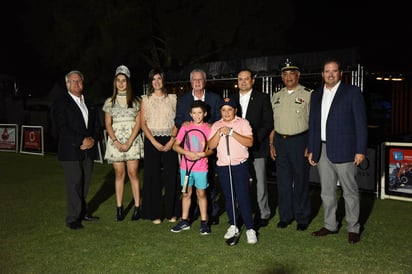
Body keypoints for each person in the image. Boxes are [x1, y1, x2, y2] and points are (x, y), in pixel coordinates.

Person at [307, 58, 368, 244]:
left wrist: (360, 150)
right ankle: (330, 225)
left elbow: (360, 123)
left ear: (340, 73)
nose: (330, 74)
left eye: (334, 71)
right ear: (322, 74)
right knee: (326, 191)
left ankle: (353, 228)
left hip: (345, 149)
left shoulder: (352, 92)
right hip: (322, 150)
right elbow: (313, 124)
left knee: (349, 191)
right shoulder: (316, 95)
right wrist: (312, 148)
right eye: (327, 71)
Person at [52, 70, 101, 230]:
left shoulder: (89, 102)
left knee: (85, 182)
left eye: (79, 80)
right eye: (73, 81)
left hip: (88, 149)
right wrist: (82, 140)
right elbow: (62, 127)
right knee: (75, 182)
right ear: (67, 84)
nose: (77, 83)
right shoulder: (61, 103)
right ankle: (73, 217)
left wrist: (92, 139)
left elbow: (96, 125)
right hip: (71, 150)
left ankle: (82, 212)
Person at [268, 59, 312, 231]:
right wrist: (272, 143)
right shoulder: (276, 96)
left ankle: (302, 217)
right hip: (280, 141)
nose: (288, 77)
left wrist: (311, 145)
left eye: (291, 73)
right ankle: (285, 216)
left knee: (300, 181)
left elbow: (314, 123)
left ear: (298, 75)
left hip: (299, 141)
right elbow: (273, 124)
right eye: (285, 74)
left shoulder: (308, 94)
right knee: (283, 182)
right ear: (282, 77)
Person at [175, 68, 222, 225]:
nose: (197, 82)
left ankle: (211, 214)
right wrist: (185, 123)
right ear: (190, 82)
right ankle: (189, 215)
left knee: (208, 184)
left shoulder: (215, 99)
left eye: (200, 79)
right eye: (194, 79)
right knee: (188, 188)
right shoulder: (183, 100)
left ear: (205, 81)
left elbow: (220, 119)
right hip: (188, 154)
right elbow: (178, 120)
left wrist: (210, 126)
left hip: (207, 150)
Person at [208, 97, 257, 244]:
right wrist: (219, 133)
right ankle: (233, 225)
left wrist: (232, 133)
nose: (226, 113)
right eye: (223, 110)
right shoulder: (216, 125)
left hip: (240, 166)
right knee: (229, 198)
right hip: (223, 167)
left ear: (235, 110)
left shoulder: (243, 123)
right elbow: (211, 145)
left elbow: (250, 142)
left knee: (243, 197)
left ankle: (250, 228)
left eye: (229, 109)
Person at [232, 69, 273, 229]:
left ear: (252, 81)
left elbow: (268, 122)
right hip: (236, 149)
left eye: (246, 79)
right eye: (240, 79)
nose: (243, 82)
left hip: (257, 148)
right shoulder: (232, 99)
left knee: (260, 183)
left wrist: (253, 140)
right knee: (239, 183)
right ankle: (242, 212)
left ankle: (263, 213)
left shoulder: (263, 98)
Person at [102, 65, 144, 222]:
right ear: (115, 82)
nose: (121, 83)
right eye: (118, 80)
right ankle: (119, 208)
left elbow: (139, 123)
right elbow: (107, 124)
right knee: (119, 175)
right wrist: (115, 141)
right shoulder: (109, 102)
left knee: (133, 174)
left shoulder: (136, 101)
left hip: (132, 142)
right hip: (116, 143)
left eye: (123, 80)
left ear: (128, 82)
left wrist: (129, 142)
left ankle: (137, 207)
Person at [140, 68, 179, 224]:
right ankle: (154, 213)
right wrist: (154, 142)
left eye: (159, 79)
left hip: (170, 139)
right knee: (152, 177)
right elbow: (143, 124)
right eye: (153, 79)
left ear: (163, 80)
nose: (156, 82)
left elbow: (178, 121)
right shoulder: (145, 99)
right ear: (151, 82)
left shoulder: (173, 98)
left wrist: (172, 140)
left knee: (171, 176)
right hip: (152, 140)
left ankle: (172, 212)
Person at [171, 100, 214, 235]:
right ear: (190, 114)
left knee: (201, 194)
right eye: (194, 113)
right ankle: (184, 221)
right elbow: (175, 145)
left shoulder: (209, 128)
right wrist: (187, 153)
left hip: (201, 168)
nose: (197, 116)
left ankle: (204, 222)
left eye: (199, 113)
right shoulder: (185, 127)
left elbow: (212, 148)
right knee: (186, 193)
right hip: (185, 168)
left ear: (205, 114)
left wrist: (204, 154)